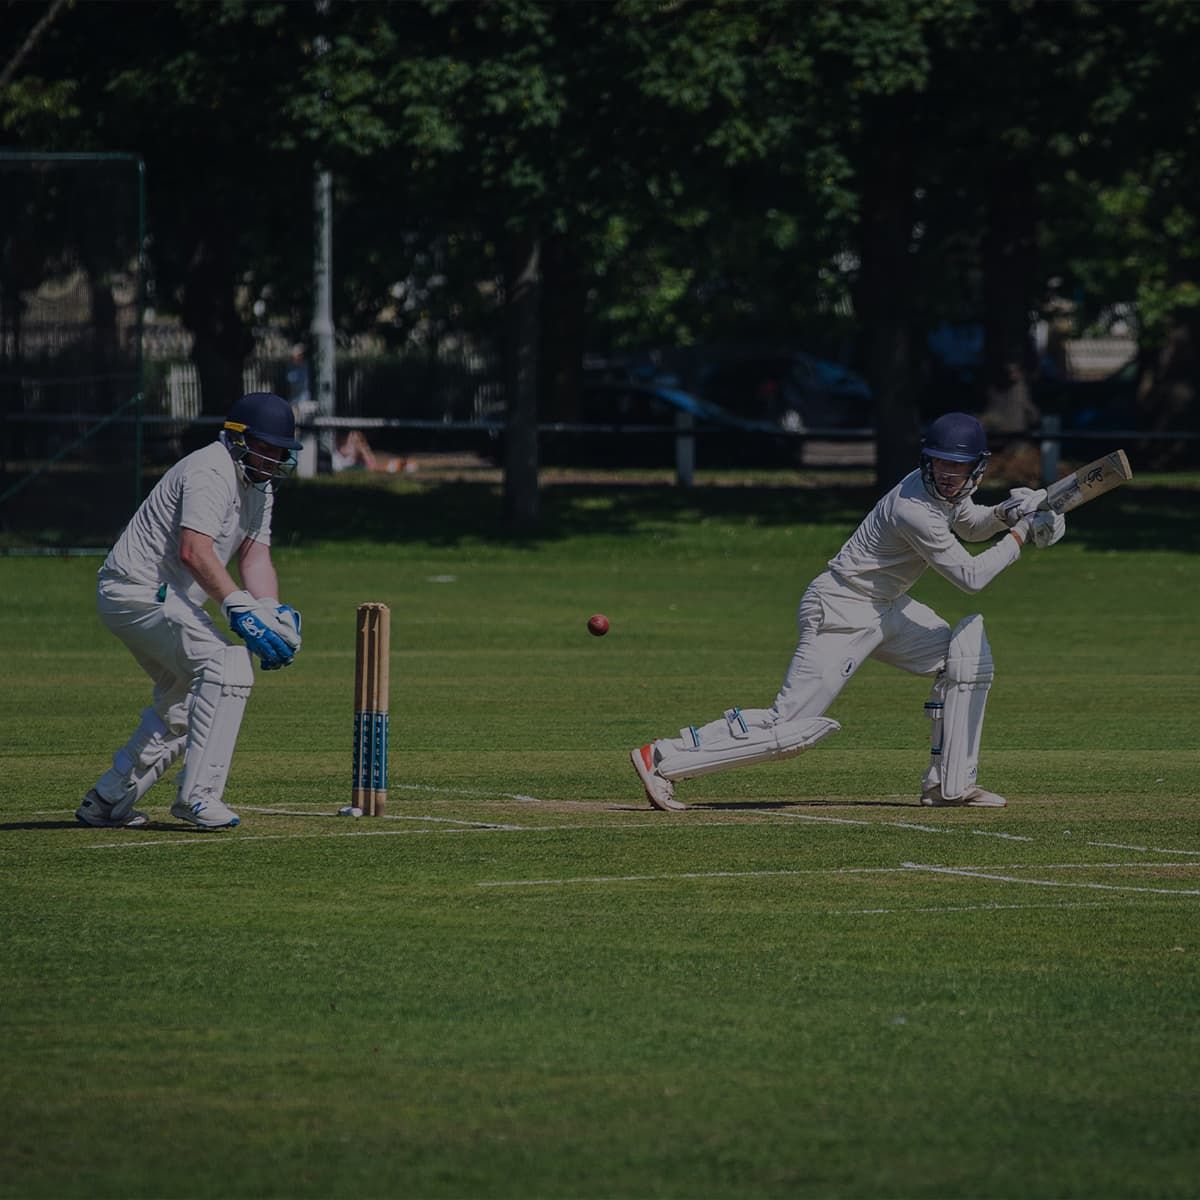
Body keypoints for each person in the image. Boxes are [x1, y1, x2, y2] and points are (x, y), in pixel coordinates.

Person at [630, 411, 1066, 812]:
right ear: (927, 460)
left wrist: (1007, 513)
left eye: (957, 466)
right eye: (940, 463)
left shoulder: (947, 494)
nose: (948, 475)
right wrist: (1022, 533)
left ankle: (947, 785)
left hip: (886, 608)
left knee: (962, 661)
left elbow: (971, 524)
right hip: (841, 608)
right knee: (790, 729)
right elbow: (971, 578)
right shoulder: (913, 508)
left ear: (976, 468)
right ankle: (664, 758)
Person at [76, 392, 304, 830]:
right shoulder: (210, 470)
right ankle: (198, 797)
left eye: (281, 451)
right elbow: (194, 551)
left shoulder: (259, 483)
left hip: (161, 598)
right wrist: (240, 609)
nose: (274, 458)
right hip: (136, 590)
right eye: (267, 447)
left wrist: (272, 610)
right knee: (228, 665)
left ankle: (106, 801)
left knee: (185, 705)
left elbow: (255, 556)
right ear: (238, 438)